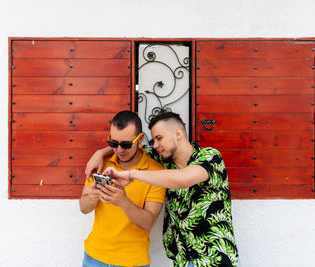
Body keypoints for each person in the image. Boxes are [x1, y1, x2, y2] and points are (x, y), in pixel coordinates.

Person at [86, 111, 240, 267]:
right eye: (153, 140)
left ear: (178, 133)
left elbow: (183, 179)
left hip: (216, 259)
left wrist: (132, 175)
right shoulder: (162, 159)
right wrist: (99, 153)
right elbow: (127, 147)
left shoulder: (209, 156)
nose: (155, 145)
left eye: (159, 138)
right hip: (182, 261)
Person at [80, 110, 166, 267]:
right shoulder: (101, 163)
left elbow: (148, 222)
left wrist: (123, 202)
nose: (119, 150)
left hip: (133, 262)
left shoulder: (156, 173)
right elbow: (84, 209)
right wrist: (90, 198)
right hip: (94, 257)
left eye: (126, 144)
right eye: (113, 143)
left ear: (140, 139)